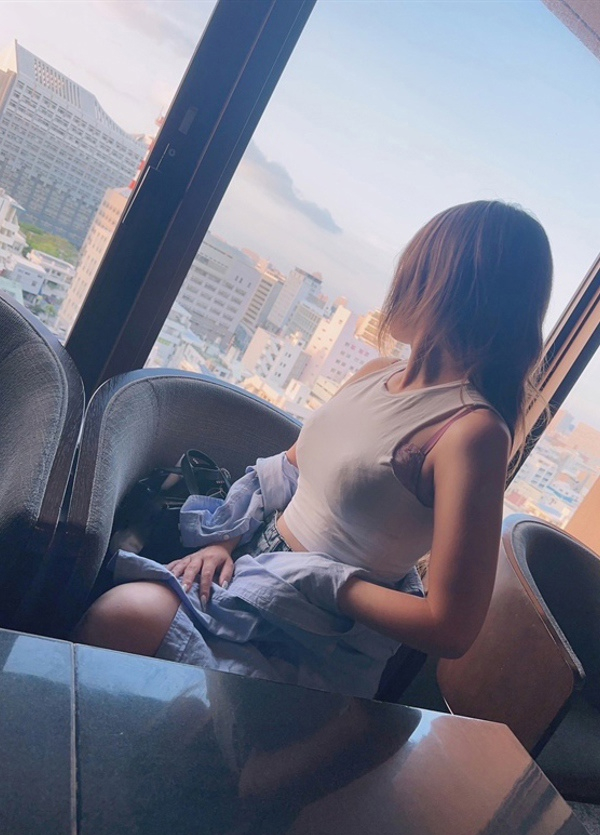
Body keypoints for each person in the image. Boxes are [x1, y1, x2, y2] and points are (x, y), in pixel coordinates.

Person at [74, 200, 553, 699]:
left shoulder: (472, 433)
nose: (400, 284)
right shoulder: (376, 373)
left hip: (310, 638)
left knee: (121, 620)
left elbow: (450, 628)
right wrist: (224, 543)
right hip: (246, 575)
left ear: (451, 288)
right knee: (115, 615)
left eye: (418, 270)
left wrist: (321, 579)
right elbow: (290, 470)